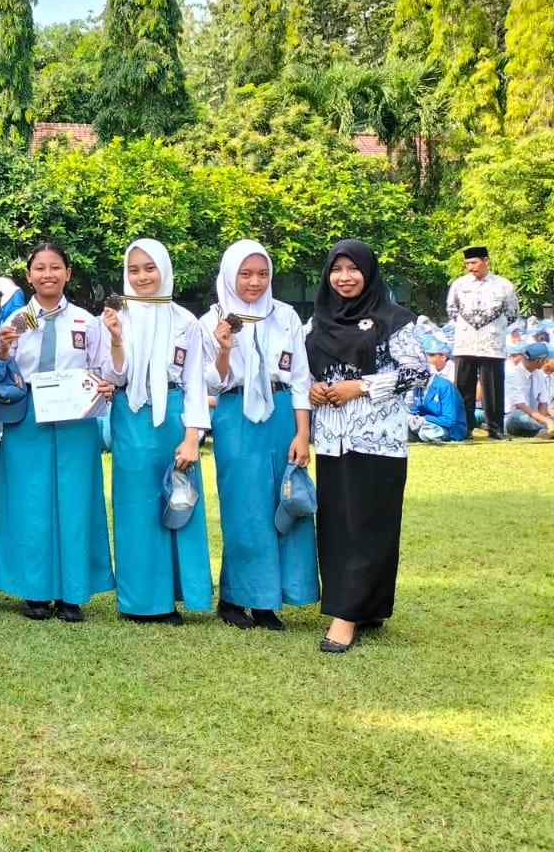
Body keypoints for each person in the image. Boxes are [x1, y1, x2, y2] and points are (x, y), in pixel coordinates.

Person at [306, 240, 430, 653]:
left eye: (353, 269)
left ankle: (344, 619)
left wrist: (359, 386)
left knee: (369, 526)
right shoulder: (317, 322)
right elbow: (302, 375)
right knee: (338, 526)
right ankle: (365, 606)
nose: (344, 277)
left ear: (369, 272)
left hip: (377, 441)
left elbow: (416, 373)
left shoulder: (395, 319)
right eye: (336, 269)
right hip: (330, 439)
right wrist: (315, 390)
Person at [0, 242, 115, 622]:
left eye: (56, 267)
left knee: (75, 502)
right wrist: (2, 352)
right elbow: (0, 375)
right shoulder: (13, 324)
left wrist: (103, 385)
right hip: (27, 419)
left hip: (76, 420)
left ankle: (71, 593)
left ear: (68, 274)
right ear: (28, 276)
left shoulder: (86, 322)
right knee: (30, 502)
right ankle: (35, 591)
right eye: (40, 268)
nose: (48, 274)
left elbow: (100, 368)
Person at [199, 240, 317, 631]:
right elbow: (212, 382)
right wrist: (223, 348)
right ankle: (237, 598)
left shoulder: (284, 316)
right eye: (245, 274)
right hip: (236, 415)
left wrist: (303, 433)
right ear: (230, 275)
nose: (254, 282)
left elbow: (299, 378)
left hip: (282, 412)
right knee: (245, 507)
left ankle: (270, 600)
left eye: (262, 274)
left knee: (282, 503)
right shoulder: (213, 319)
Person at [98, 239, 213, 625]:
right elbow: (115, 376)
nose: (142, 276)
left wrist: (192, 436)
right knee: (135, 507)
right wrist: (115, 337)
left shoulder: (185, 320)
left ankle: (179, 595)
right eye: (134, 269)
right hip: (131, 415)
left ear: (163, 269)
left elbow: (196, 381)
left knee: (177, 499)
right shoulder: (118, 316)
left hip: (175, 417)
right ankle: (141, 602)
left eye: (150, 268)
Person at [445, 245, 519, 441]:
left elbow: (512, 312)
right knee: (463, 388)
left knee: (493, 389)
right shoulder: (459, 285)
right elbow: (451, 310)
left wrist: (494, 327)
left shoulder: (503, 285)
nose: (470, 267)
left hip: (492, 344)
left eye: (474, 263)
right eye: (467, 263)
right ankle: (464, 428)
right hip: (465, 342)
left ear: (486, 261)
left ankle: (495, 429)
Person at [408, 336, 467, 443]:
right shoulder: (417, 385)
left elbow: (449, 420)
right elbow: (416, 410)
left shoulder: (445, 386)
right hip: (425, 424)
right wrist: (411, 417)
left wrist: (424, 419)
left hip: (449, 428)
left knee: (427, 432)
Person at [504, 342, 554, 437]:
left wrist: (543, 419)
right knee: (520, 417)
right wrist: (546, 421)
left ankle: (544, 432)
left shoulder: (538, 374)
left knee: (542, 421)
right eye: (544, 359)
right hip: (511, 416)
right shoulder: (513, 374)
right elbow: (520, 406)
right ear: (539, 361)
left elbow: (543, 402)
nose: (545, 361)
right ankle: (546, 429)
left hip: (534, 417)